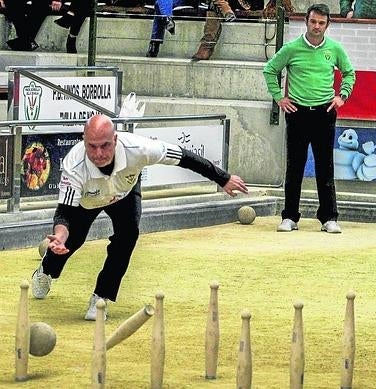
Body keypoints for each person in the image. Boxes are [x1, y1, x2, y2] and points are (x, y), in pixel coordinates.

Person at [31, 114, 248, 320]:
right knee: (71, 241)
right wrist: (59, 237)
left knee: (128, 236)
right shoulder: (73, 166)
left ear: (115, 139)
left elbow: (184, 157)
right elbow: (65, 213)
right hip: (87, 201)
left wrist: (223, 178)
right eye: (92, 146)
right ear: (84, 141)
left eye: (105, 145)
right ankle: (46, 271)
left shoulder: (140, 148)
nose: (99, 153)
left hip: (123, 193)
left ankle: (101, 297)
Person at [263, 3, 355, 234]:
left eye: (321, 23)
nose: (316, 26)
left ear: (328, 25)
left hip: (325, 113)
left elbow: (349, 73)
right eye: (313, 21)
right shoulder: (292, 48)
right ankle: (290, 217)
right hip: (297, 113)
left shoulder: (334, 48)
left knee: (325, 168)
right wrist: (279, 98)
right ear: (306, 21)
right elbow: (270, 70)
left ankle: (329, 218)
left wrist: (342, 95)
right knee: (295, 167)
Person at [191, 0, 264, 61]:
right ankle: (226, 9)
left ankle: (206, 47)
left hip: (248, 4)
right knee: (214, 5)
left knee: (215, 4)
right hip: (229, 3)